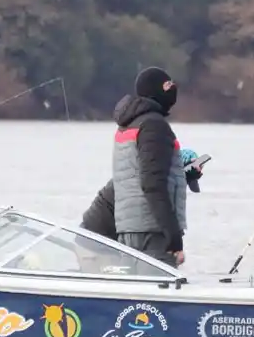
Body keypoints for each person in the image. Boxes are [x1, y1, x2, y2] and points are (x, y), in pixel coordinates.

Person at [108, 66, 188, 266]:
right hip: (153, 232)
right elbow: (152, 183)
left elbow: (136, 176)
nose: (173, 90)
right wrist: (173, 234)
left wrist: (187, 174)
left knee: (132, 293)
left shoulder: (128, 124)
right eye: (168, 86)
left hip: (127, 229)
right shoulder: (154, 125)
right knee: (159, 292)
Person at [80, 149, 208, 240]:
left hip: (108, 237)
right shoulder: (150, 179)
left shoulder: (156, 174)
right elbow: (154, 213)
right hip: (95, 237)